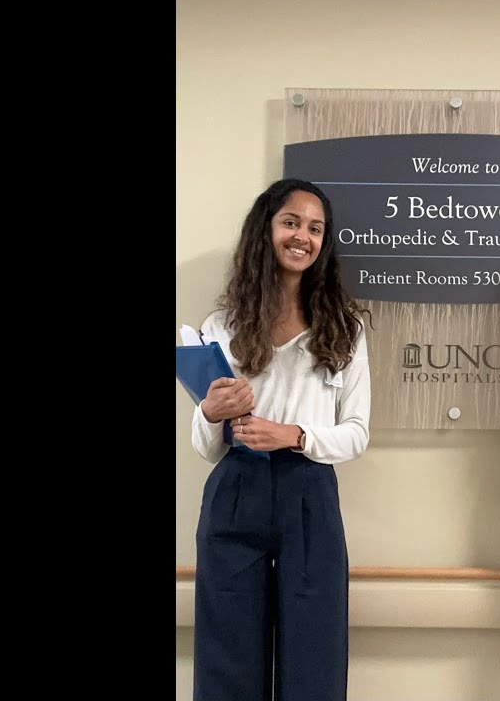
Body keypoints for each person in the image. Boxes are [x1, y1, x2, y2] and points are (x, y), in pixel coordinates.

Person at [189, 178, 371, 701]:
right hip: (234, 492)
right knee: (227, 658)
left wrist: (291, 435)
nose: (303, 237)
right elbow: (206, 448)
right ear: (265, 231)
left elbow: (356, 434)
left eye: (315, 228)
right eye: (291, 222)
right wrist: (208, 411)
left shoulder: (344, 328)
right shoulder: (222, 325)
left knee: (314, 655)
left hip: (308, 493)